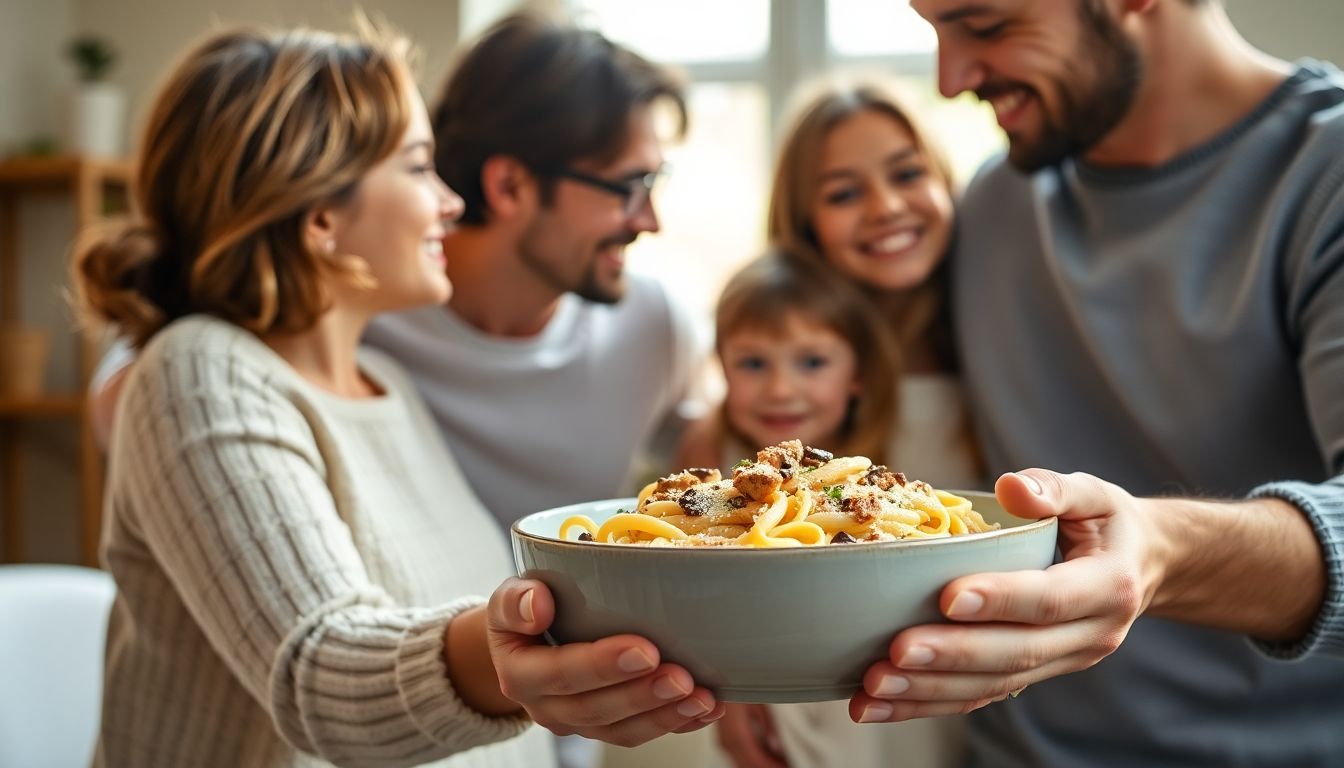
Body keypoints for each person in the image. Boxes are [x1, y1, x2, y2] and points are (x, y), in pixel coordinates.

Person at [73, 25, 721, 767]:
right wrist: (520, 655)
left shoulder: (391, 389)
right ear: (320, 216)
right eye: (419, 169)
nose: (450, 202)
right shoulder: (200, 372)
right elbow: (323, 673)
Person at [844, 1, 1344, 765]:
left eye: (984, 26)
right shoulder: (992, 202)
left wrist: (1163, 552)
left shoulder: (1325, 176)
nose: (951, 80)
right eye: (936, 33)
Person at [705, 79, 979, 768]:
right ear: (805, 223)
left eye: (908, 174)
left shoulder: (987, 342)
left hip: (950, 702)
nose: (886, 207)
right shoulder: (781, 396)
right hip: (808, 706)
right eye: (843, 193)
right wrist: (731, 689)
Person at [362, 10, 704, 530]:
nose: (649, 221)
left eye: (653, 184)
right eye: (628, 188)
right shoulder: (364, 325)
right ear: (509, 187)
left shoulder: (655, 327)